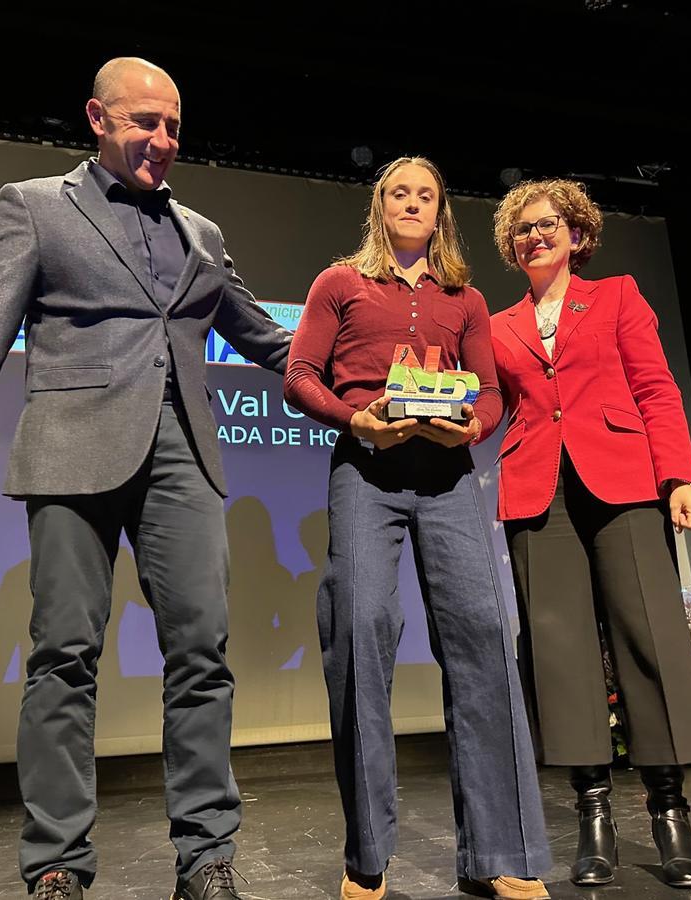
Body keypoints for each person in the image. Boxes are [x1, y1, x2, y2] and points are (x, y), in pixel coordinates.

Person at [0, 57, 291, 900]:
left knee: (202, 655)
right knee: (63, 658)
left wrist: (382, 388)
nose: (161, 139)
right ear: (97, 118)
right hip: (72, 453)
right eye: (143, 122)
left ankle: (207, 859)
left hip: (184, 452)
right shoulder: (35, 207)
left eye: (173, 126)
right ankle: (57, 864)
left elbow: (273, 344)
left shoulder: (202, 234)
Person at [285, 157, 552, 900]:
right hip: (365, 471)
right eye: (399, 192)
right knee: (363, 629)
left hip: (446, 476)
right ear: (380, 206)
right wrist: (356, 418)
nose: (412, 203)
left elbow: (491, 395)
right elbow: (301, 374)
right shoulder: (338, 283)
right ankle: (366, 856)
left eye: (425, 195)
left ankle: (499, 855)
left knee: (485, 636)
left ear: (439, 214)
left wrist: (468, 428)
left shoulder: (464, 298)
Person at [489, 179, 691, 889]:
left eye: (548, 224)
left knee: (648, 637)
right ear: (513, 245)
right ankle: (593, 816)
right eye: (523, 229)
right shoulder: (499, 326)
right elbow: (488, 407)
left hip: (622, 482)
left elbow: (655, 387)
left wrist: (679, 475)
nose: (535, 235)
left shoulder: (616, 295)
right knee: (560, 654)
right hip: (538, 492)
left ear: (577, 234)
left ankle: (670, 814)